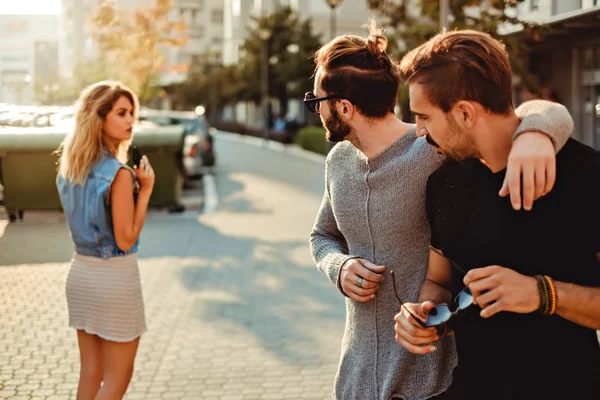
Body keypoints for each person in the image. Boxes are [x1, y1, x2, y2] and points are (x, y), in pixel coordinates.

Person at [307, 21, 575, 400]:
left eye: (316, 101)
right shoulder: (337, 162)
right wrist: (339, 266)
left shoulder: (435, 151)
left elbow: (514, 117)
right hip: (357, 375)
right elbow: (322, 236)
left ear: (344, 107)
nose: (315, 111)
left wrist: (537, 131)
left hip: (434, 378)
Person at [394, 29, 600, 400]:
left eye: (424, 117)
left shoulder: (584, 175)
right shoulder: (442, 183)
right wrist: (426, 316)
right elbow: (439, 282)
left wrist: (543, 293)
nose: (419, 131)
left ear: (464, 112)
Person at [56, 81, 154, 400]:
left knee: (91, 373)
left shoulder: (70, 168)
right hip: (114, 280)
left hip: (81, 276)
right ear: (99, 117)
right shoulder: (118, 174)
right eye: (122, 113)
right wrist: (146, 191)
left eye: (132, 114)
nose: (130, 121)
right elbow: (125, 240)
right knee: (118, 376)